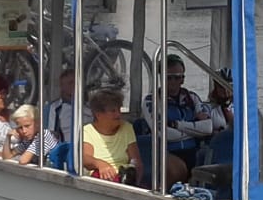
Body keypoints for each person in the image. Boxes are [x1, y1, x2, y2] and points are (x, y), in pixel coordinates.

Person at [145, 56, 213, 185]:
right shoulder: (151, 101)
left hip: (195, 152)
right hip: (167, 152)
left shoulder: (192, 98)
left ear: (183, 79)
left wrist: (177, 125)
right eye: (168, 77)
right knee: (176, 170)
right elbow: (164, 134)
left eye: (177, 77)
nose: (173, 81)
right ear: (161, 78)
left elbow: (208, 128)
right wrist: (195, 130)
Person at [82, 87, 145, 183]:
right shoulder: (87, 131)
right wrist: (99, 164)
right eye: (113, 111)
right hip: (99, 182)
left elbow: (136, 161)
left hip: (126, 179)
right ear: (98, 114)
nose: (118, 114)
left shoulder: (127, 128)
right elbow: (85, 158)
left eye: (119, 109)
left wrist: (135, 182)